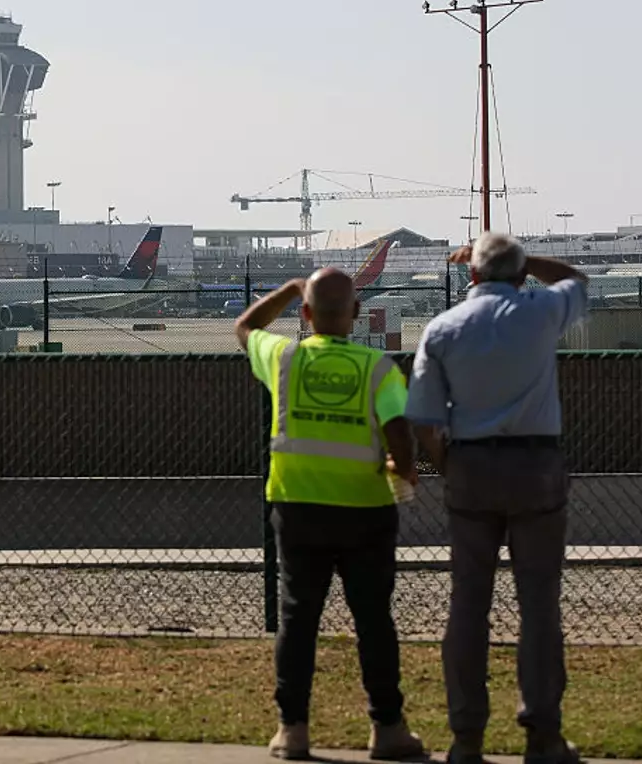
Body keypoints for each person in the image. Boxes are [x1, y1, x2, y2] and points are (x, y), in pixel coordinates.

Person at [405, 231, 588, 764]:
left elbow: (424, 418)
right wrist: (530, 260)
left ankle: (466, 738)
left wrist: (449, 464)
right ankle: (543, 735)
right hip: (536, 465)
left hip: (471, 466)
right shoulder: (541, 312)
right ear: (523, 273)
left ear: (472, 276)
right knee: (539, 605)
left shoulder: (442, 329)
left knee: (467, 605)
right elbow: (577, 280)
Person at [236, 267, 426, 762]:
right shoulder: (378, 367)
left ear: (305, 314)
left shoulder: (283, 358)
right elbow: (401, 433)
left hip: (297, 505)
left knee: (297, 620)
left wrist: (286, 290)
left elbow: (245, 328)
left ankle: (292, 730)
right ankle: (387, 729)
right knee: (373, 622)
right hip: (366, 509)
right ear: (357, 314)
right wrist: (402, 471)